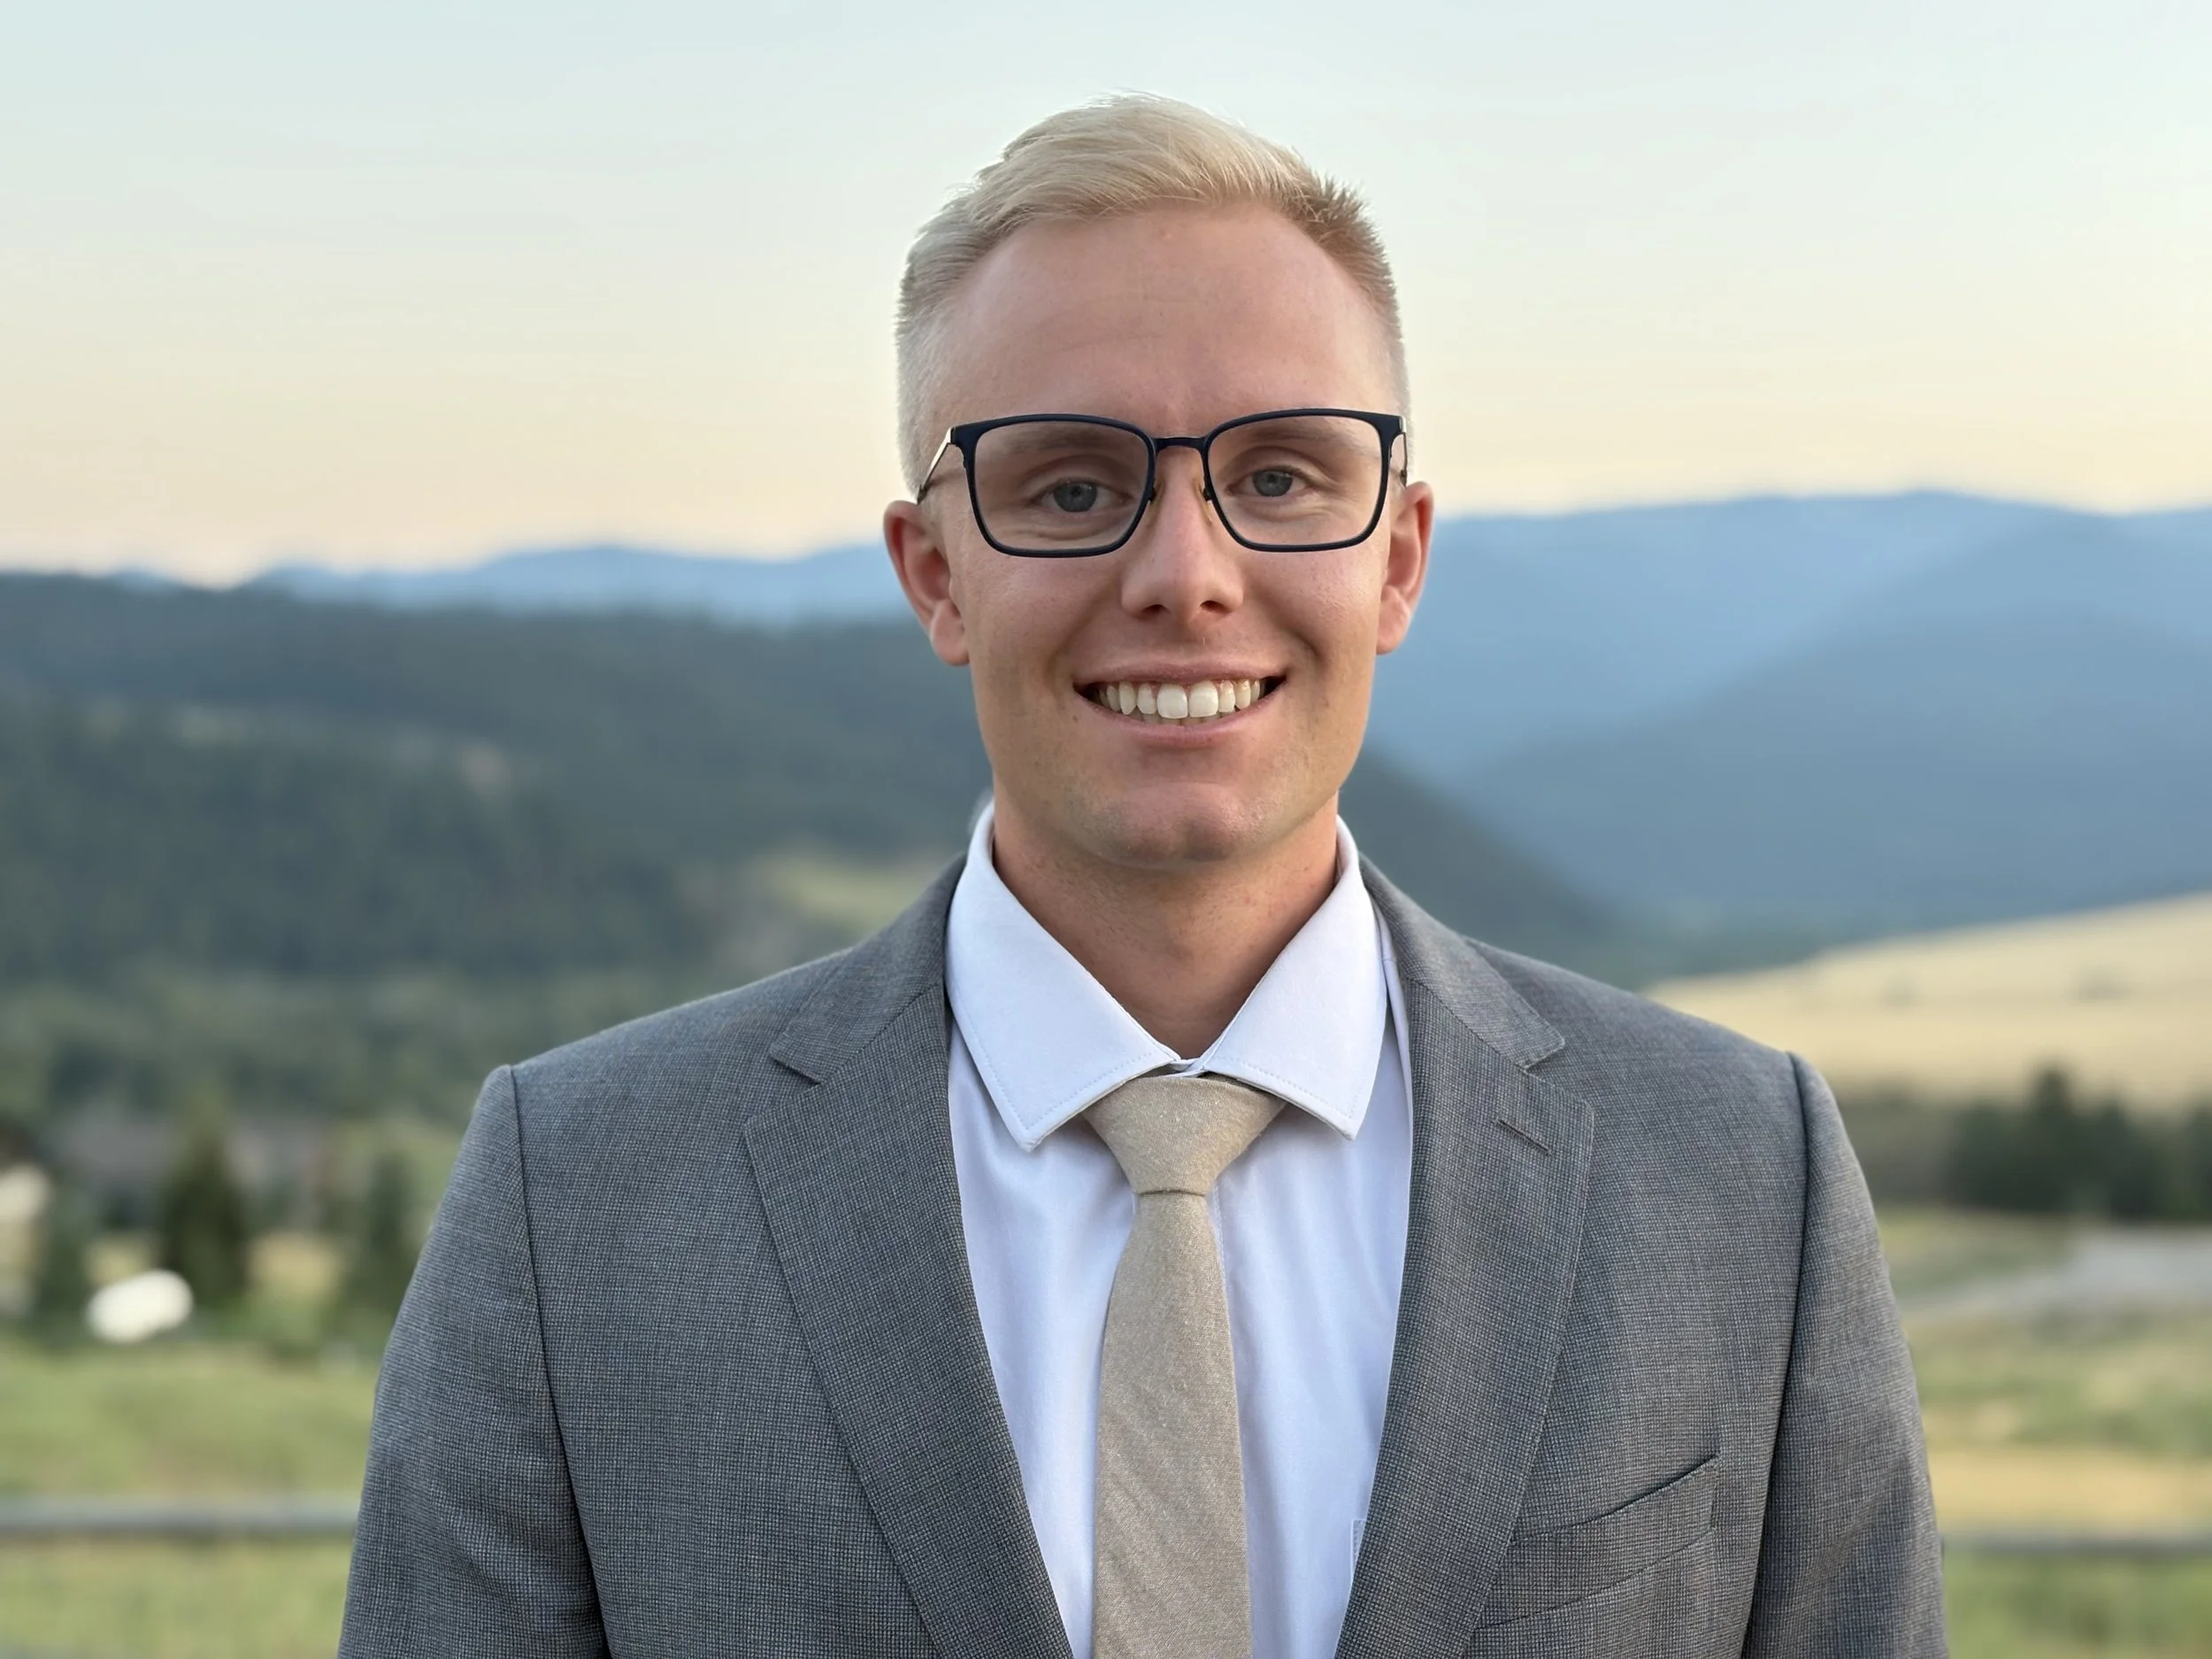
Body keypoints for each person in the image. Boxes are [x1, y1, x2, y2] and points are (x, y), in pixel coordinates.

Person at [341, 95, 1943, 1658]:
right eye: (1072, 485)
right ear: (935, 572)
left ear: (1398, 557)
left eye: (1283, 475)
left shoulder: (1742, 1177)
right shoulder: (580, 1201)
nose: (1186, 574)